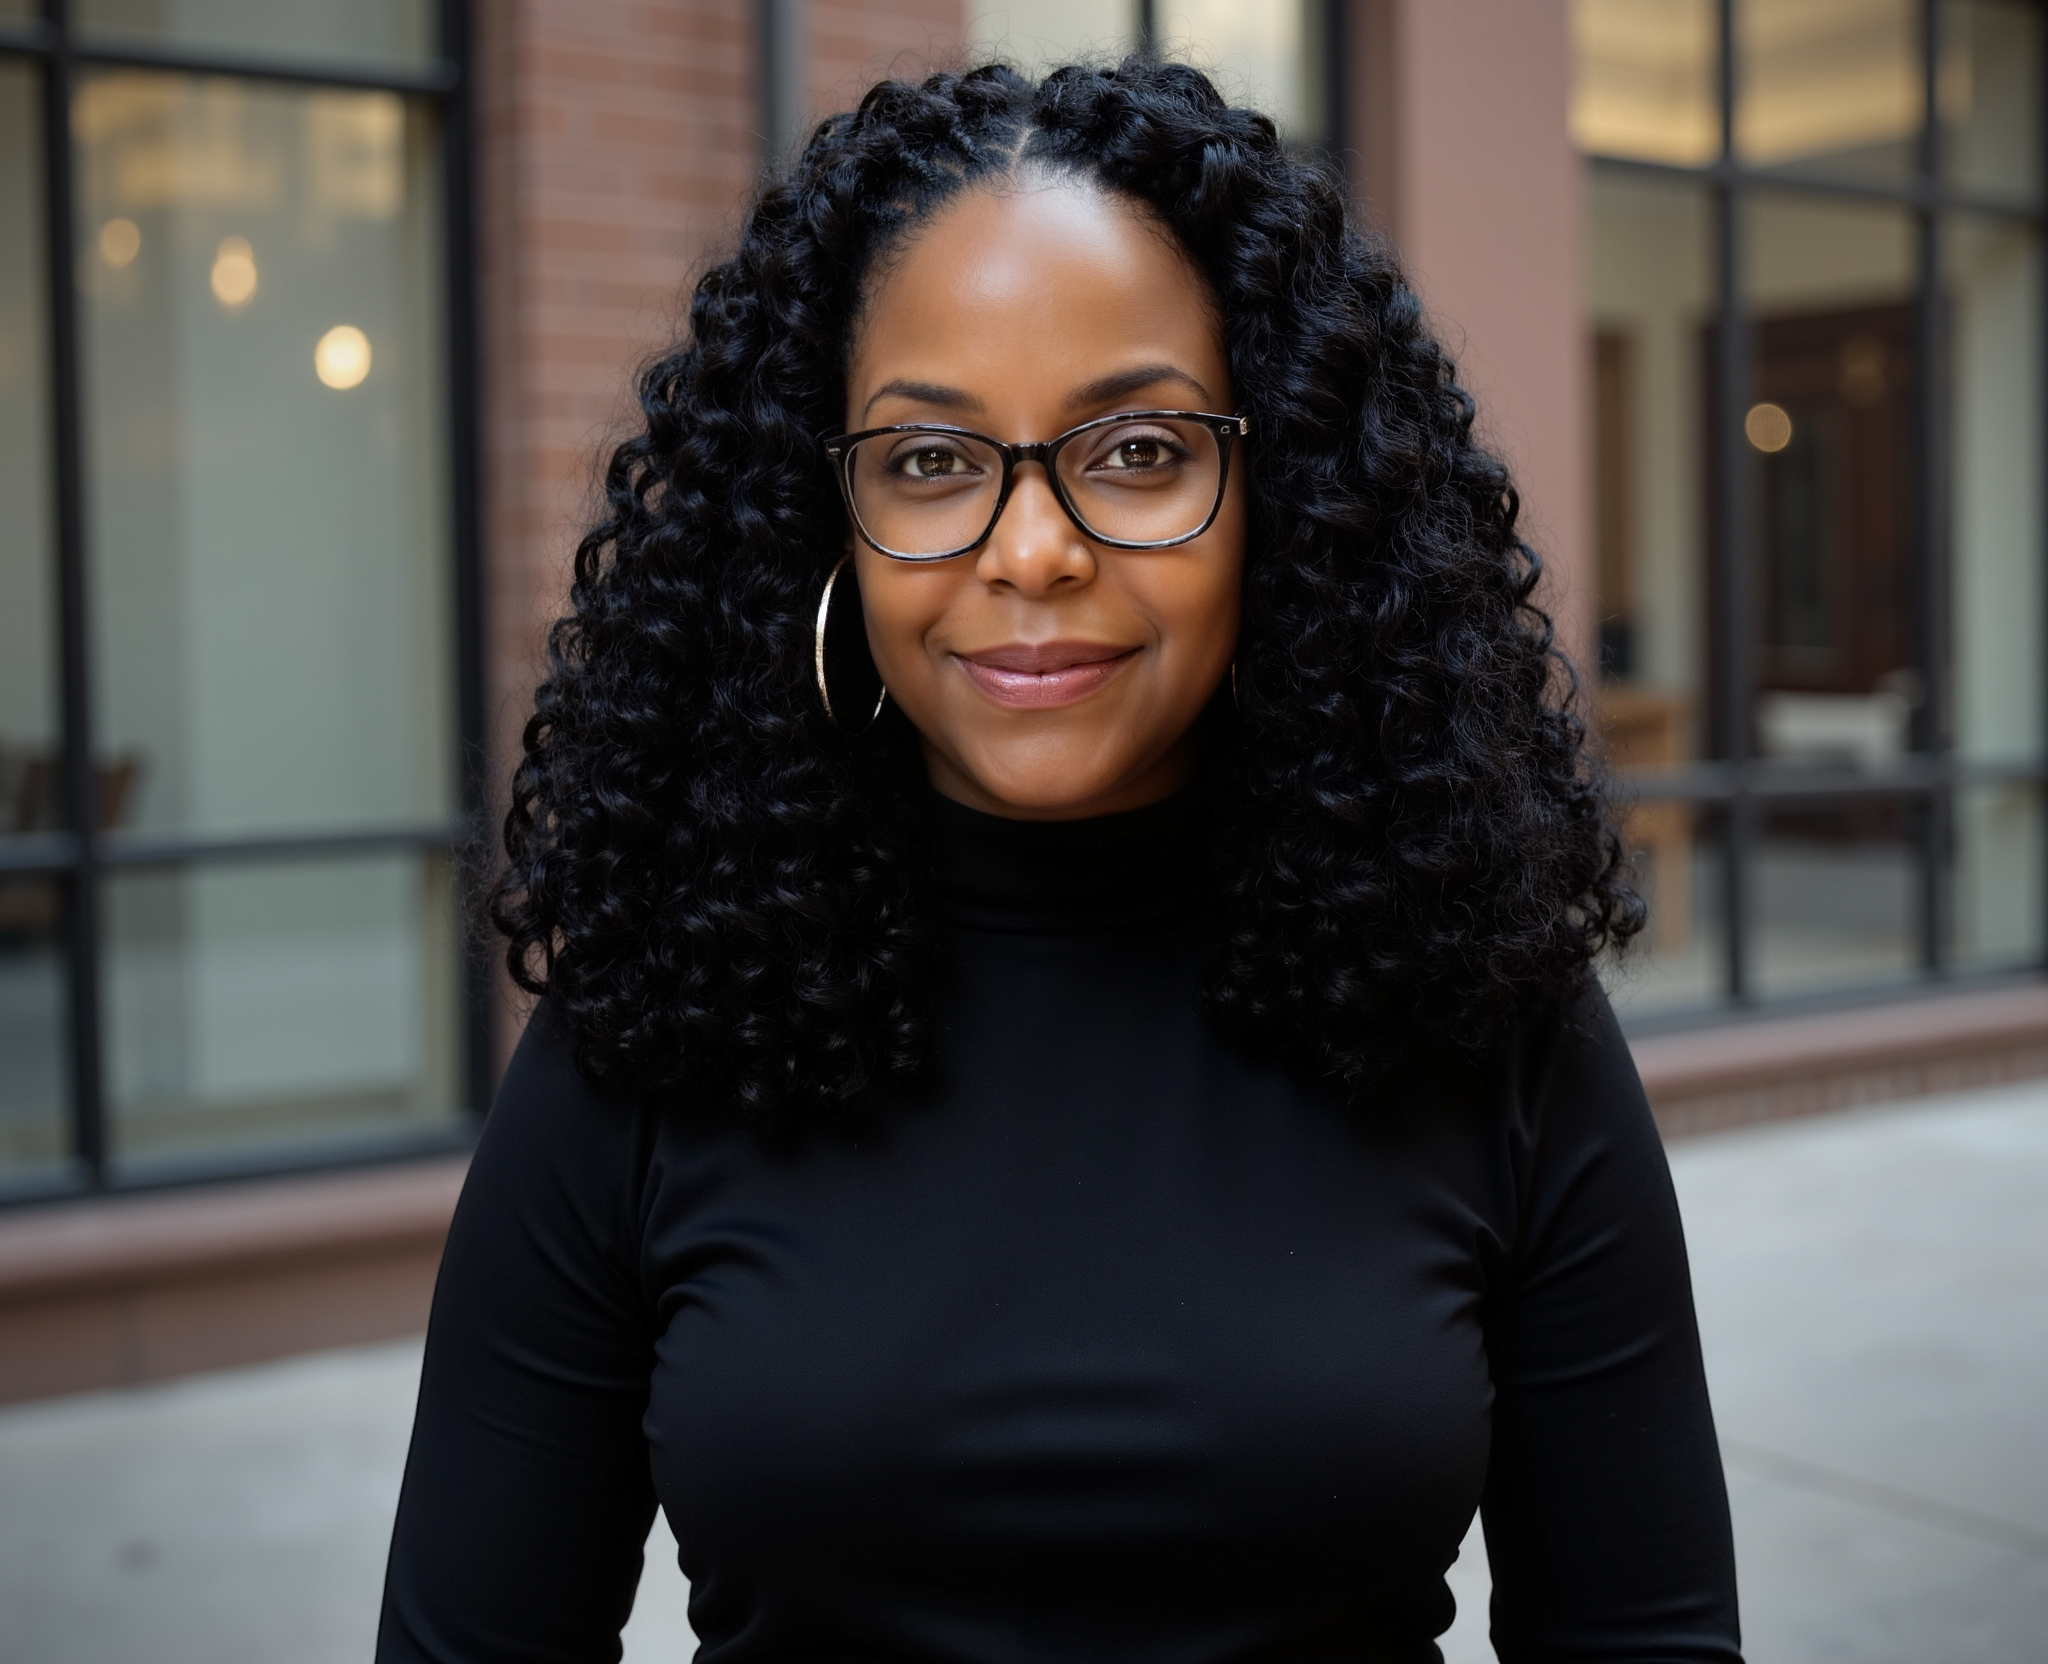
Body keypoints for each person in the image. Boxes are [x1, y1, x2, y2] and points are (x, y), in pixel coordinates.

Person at [378, 59, 1741, 1664]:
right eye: (932, 462)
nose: (1033, 549)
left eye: (1140, 451)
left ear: (1278, 503)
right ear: (832, 523)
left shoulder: (1485, 1006)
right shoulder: (659, 1021)